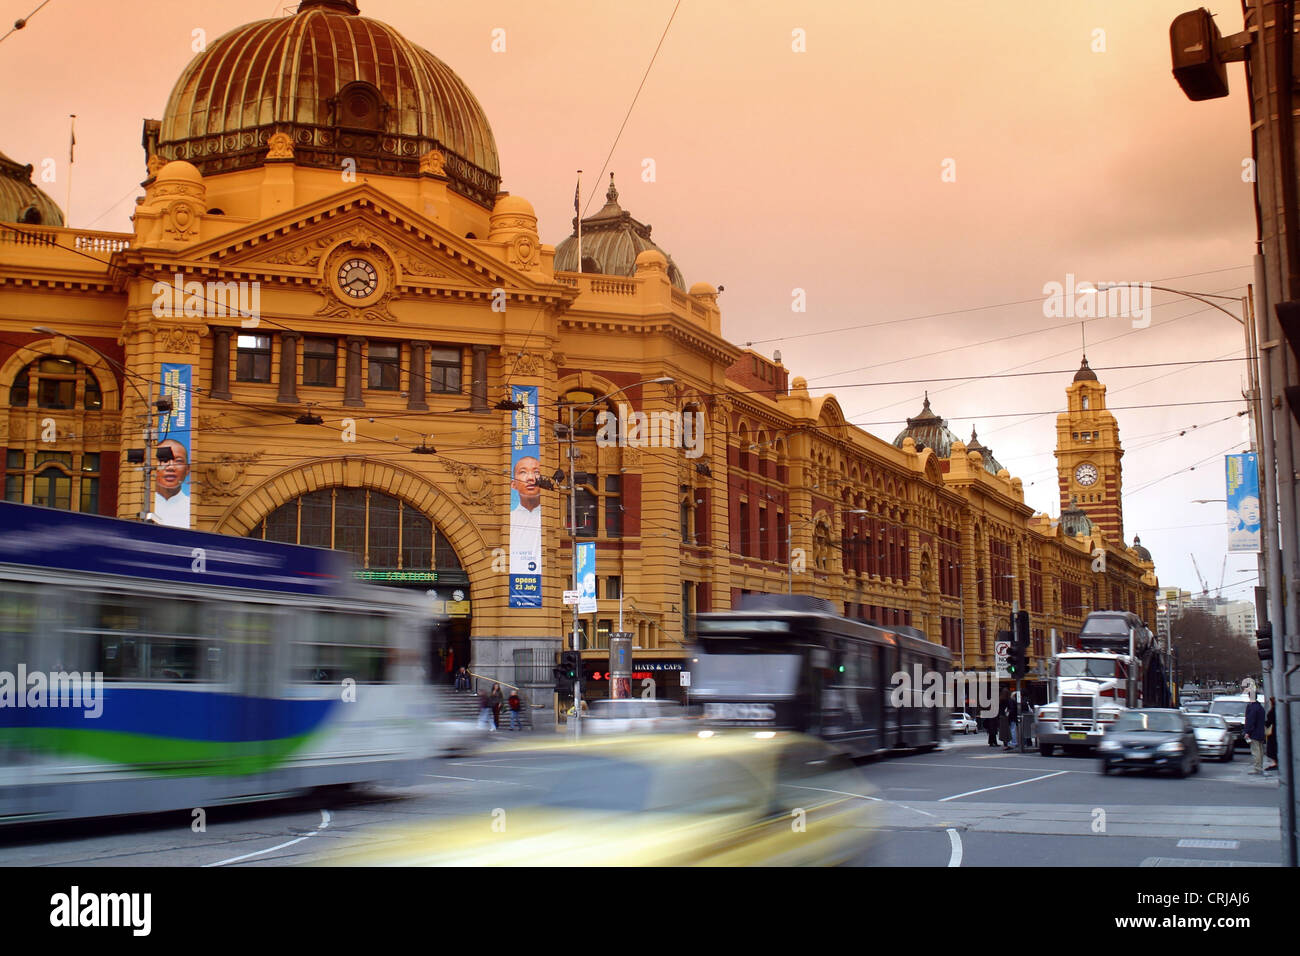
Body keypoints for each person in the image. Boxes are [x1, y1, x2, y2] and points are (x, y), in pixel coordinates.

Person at [509, 456, 543, 575]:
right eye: (523, 472)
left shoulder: (548, 519)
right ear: (513, 484)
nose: (530, 478)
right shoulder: (509, 519)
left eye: (536, 472)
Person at [152, 439, 191, 528]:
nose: (171, 467)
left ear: (187, 469)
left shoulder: (189, 505)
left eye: (178, 461)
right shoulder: (144, 504)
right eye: (164, 460)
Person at [1245, 691, 1266, 774]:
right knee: (1260, 751)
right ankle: (1260, 766)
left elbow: (1250, 721)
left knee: (1255, 751)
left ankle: (1257, 768)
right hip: (1261, 731)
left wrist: (1247, 732)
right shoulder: (1260, 707)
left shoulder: (1252, 708)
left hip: (1254, 732)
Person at [1265, 697, 1278, 773]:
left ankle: (1276, 762)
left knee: (1272, 746)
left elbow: (1269, 721)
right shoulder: (1276, 710)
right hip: (1275, 730)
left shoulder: (1274, 710)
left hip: (1275, 731)